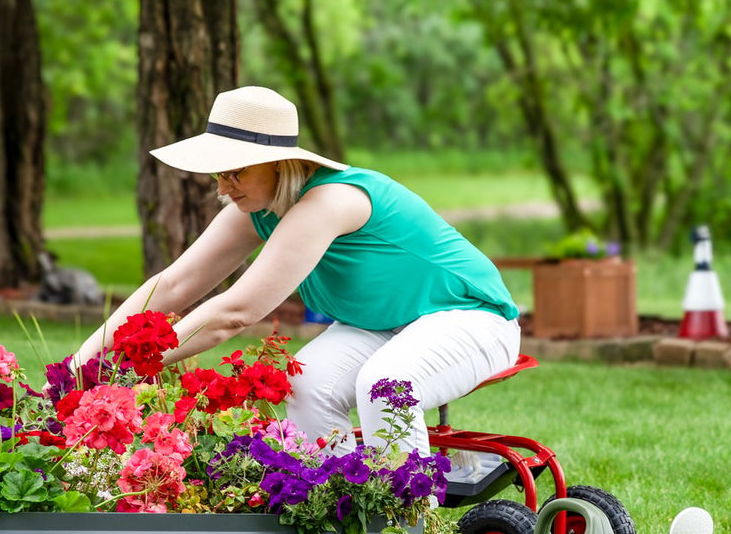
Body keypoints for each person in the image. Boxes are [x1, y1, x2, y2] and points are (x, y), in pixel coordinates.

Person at [73, 85, 521, 455]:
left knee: (387, 385)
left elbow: (237, 312)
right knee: (304, 384)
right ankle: (344, 515)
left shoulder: (331, 200)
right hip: (385, 325)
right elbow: (174, 282)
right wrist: (83, 362)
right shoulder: (257, 205)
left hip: (472, 318)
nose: (223, 187)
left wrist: (124, 374)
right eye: (217, 175)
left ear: (279, 162)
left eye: (236, 172)